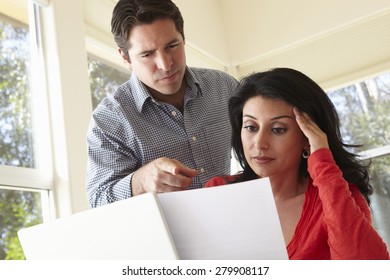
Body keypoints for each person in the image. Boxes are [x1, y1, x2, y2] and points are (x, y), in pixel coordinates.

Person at [205, 68, 390, 260]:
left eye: (278, 129)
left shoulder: (337, 196)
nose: (259, 143)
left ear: (307, 137)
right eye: (251, 127)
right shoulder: (218, 192)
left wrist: (322, 161)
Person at [86, 0, 238, 207]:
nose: (166, 65)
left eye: (172, 46)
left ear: (183, 39)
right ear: (125, 57)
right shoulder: (109, 121)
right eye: (147, 54)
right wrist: (140, 182)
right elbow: (98, 200)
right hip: (164, 237)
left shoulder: (225, 88)